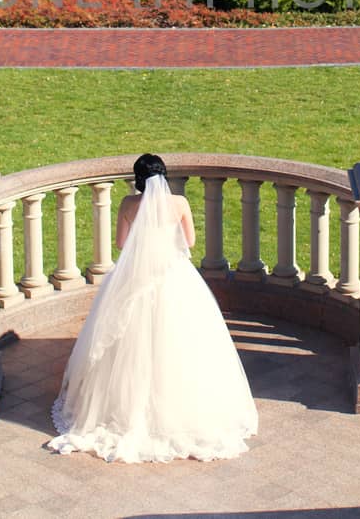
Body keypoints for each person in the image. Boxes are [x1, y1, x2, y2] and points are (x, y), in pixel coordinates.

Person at [47, 154, 258, 462]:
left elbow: (121, 243)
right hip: (174, 274)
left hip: (136, 276)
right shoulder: (179, 204)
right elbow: (190, 241)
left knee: (126, 341)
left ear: (139, 179)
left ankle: (124, 410)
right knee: (183, 342)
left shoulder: (127, 206)